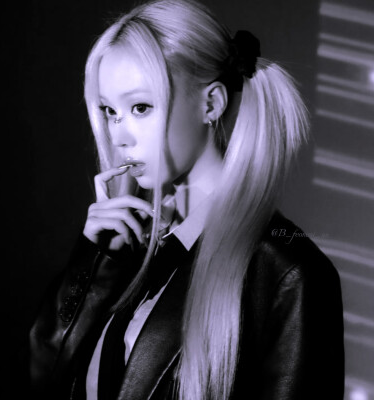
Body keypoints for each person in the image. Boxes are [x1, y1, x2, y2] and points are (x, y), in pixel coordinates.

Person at [28, 0, 345, 399]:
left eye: (141, 107)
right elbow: (40, 380)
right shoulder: (127, 247)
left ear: (210, 104)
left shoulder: (288, 274)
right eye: (109, 111)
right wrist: (94, 262)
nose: (119, 136)